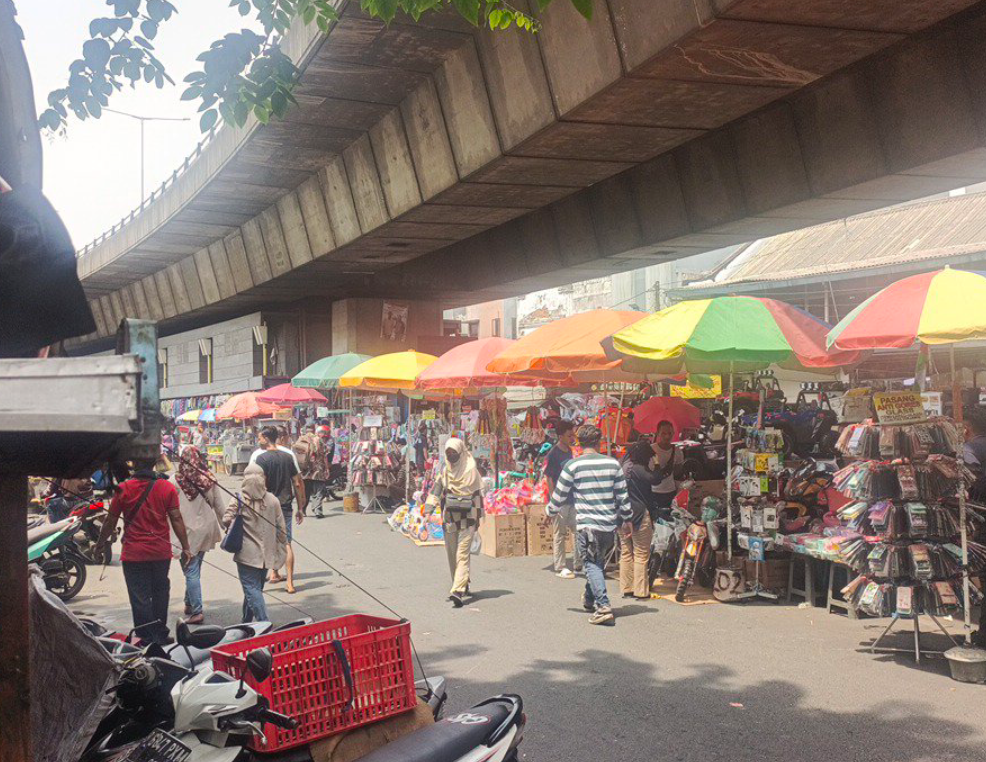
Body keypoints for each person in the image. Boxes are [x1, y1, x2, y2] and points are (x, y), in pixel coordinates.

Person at [96, 460, 191, 645]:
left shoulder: (123, 488)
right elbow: (176, 518)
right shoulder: (166, 488)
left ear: (134, 465)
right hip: (160, 553)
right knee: (160, 592)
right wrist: (186, 547)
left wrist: (100, 544)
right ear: (154, 464)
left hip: (134, 553)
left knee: (140, 597)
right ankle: (159, 634)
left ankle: (146, 637)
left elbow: (110, 521)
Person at [547, 424, 632, 625]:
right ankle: (589, 599)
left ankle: (603, 606)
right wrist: (627, 520)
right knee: (597, 562)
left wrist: (549, 512)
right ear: (599, 442)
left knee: (592, 564)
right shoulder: (613, 464)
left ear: (578, 442)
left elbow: (558, 495)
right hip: (608, 525)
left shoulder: (573, 466)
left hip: (587, 525)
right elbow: (623, 496)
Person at [223, 463, 287, 622]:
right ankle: (246, 622)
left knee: (251, 590)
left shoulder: (239, 499)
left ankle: (263, 623)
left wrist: (234, 522)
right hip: (267, 556)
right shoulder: (273, 500)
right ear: (263, 478)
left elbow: (225, 519)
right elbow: (282, 529)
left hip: (246, 555)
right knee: (254, 590)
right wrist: (281, 550)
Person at [171, 446, 224, 624]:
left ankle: (197, 611)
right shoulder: (208, 478)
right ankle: (189, 603)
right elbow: (219, 507)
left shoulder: (174, 481)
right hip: (207, 529)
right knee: (193, 567)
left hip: (185, 531)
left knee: (190, 570)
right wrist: (226, 526)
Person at [429, 438, 483, 608]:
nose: (451, 456)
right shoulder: (446, 471)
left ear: (461, 452)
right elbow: (436, 490)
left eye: (454, 453)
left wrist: (479, 518)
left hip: (468, 518)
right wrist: (428, 510)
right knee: (452, 554)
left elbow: (478, 496)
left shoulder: (471, 470)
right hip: (450, 518)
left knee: (462, 554)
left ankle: (457, 590)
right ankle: (460, 583)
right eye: (448, 453)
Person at [252, 426, 306, 593]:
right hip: (286, 506)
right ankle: (290, 583)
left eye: (260, 438)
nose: (258, 441)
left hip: (267, 507)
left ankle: (260, 584)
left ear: (266, 439)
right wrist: (301, 507)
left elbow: (260, 485)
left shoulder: (261, 459)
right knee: (287, 543)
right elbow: (297, 483)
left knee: (264, 544)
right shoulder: (287, 457)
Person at [620, 440, 664, 600]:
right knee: (640, 553)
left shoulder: (624, 466)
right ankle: (640, 590)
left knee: (626, 551)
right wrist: (658, 463)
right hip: (639, 513)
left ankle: (626, 587)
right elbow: (656, 479)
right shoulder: (640, 469)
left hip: (621, 514)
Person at [544, 420, 581, 578]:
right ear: (560, 436)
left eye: (572, 434)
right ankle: (560, 566)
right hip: (560, 500)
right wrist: (554, 501)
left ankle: (579, 562)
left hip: (573, 498)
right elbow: (549, 478)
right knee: (560, 534)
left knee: (578, 531)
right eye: (569, 435)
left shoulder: (571, 452)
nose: (572, 437)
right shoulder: (553, 454)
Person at [293, 423, 329, 518]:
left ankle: (303, 510)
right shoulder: (318, 440)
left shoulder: (300, 440)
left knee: (305, 491)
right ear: (314, 429)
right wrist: (327, 468)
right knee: (319, 491)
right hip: (318, 470)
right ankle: (317, 510)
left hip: (304, 470)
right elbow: (324, 455)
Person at [651, 420, 684, 521]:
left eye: (670, 433)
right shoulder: (650, 450)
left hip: (670, 492)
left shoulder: (678, 452)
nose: (667, 436)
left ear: (673, 434)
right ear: (658, 434)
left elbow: (678, 472)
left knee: (669, 521)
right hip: (653, 492)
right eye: (663, 433)